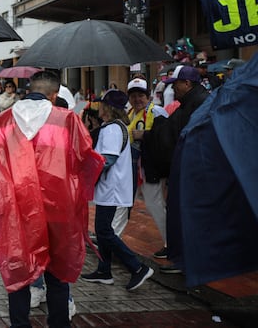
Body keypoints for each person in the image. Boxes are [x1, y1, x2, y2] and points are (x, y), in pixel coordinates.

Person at [0, 71, 104, 328]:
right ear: (54, 95)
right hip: (59, 211)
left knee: (19, 272)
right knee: (58, 274)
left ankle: (20, 324)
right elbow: (86, 158)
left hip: (18, 211)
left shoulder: (3, 121)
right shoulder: (66, 120)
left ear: (28, 91)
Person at [137, 65, 209, 274]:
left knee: (189, 214)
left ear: (187, 83)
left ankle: (189, 262)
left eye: (175, 84)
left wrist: (147, 135)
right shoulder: (191, 102)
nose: (172, 90)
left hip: (194, 170)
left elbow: (175, 134)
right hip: (190, 168)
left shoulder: (197, 103)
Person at [81, 90, 154, 291]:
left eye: (102, 104)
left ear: (108, 108)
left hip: (111, 187)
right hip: (110, 187)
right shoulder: (113, 127)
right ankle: (104, 270)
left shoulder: (112, 129)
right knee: (103, 229)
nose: (99, 107)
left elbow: (108, 159)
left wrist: (86, 166)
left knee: (104, 231)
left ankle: (137, 267)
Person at [126, 78, 169, 259]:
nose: (137, 99)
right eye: (134, 96)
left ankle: (170, 242)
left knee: (154, 204)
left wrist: (146, 135)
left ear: (148, 96)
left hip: (151, 168)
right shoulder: (129, 115)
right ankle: (110, 235)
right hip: (134, 169)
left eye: (141, 95)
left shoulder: (157, 111)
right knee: (125, 203)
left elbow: (167, 136)